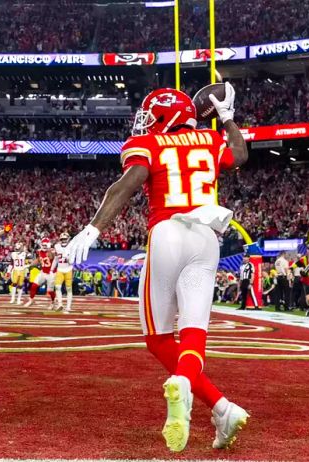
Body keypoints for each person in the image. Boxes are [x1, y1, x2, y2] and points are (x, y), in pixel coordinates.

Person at [67, 83, 249, 452]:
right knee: (194, 332)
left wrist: (93, 227)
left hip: (168, 231)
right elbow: (240, 155)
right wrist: (228, 118)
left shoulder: (148, 145)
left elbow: (126, 185)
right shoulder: (209, 140)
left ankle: (198, 393)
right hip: (207, 235)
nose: (145, 123)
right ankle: (220, 407)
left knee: (159, 337)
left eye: (151, 117)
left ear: (165, 118)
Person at [24, 238, 57, 308]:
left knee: (50, 291)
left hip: (51, 273)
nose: (44, 247)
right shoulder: (39, 252)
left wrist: (49, 251)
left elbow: (51, 257)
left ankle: (53, 302)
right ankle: (31, 300)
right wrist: (29, 265)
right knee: (34, 285)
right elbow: (38, 260)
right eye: (43, 245)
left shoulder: (52, 251)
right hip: (43, 272)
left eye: (45, 245)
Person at [53, 232, 74, 311]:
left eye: (65, 239)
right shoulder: (57, 246)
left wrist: (68, 258)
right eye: (62, 239)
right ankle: (60, 304)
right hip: (60, 269)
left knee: (68, 289)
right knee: (57, 287)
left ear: (68, 239)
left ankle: (68, 307)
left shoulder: (71, 247)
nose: (64, 240)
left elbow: (72, 262)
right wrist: (52, 269)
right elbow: (55, 259)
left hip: (68, 269)